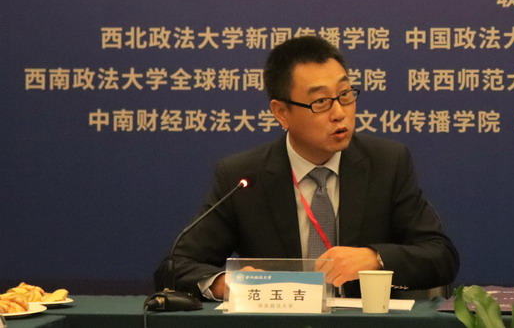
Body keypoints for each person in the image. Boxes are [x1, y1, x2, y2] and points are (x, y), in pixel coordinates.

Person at [154, 36, 459, 299]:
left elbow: (440, 256)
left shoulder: (387, 163)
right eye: (321, 102)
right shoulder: (244, 177)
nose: (339, 113)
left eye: (345, 95)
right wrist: (226, 283)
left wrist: (374, 258)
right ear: (281, 112)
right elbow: (175, 267)